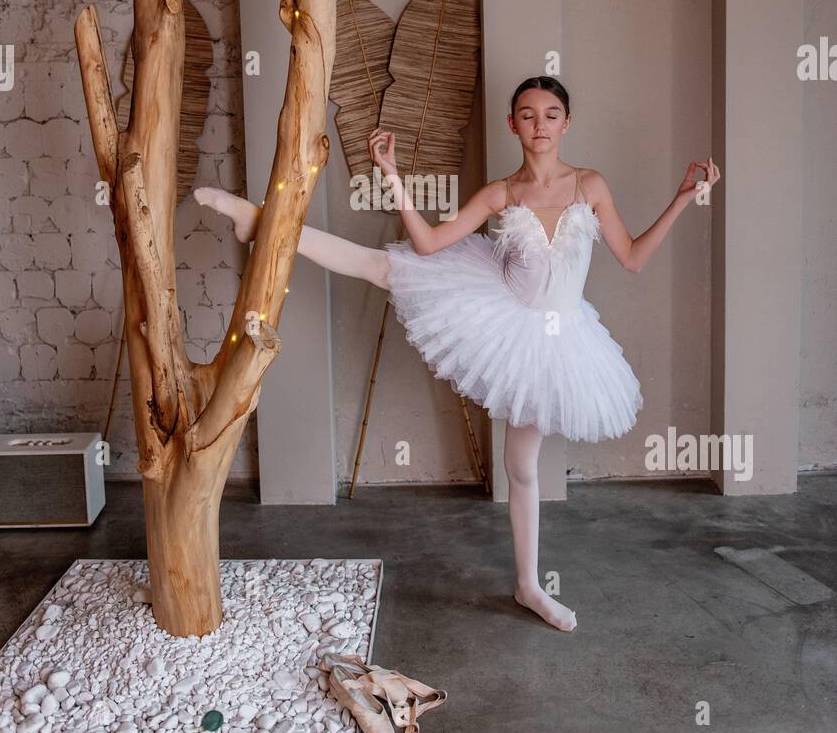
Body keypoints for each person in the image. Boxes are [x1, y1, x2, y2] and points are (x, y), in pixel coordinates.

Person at [195, 74, 721, 633]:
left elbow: (634, 257)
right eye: (527, 114)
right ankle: (265, 223)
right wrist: (394, 178)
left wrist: (684, 198)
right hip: (499, 308)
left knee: (521, 465)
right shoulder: (502, 193)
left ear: (566, 124)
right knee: (386, 267)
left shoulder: (590, 185)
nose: (538, 125)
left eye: (549, 114)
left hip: (558, 337)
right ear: (511, 123)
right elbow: (429, 243)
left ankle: (527, 585)